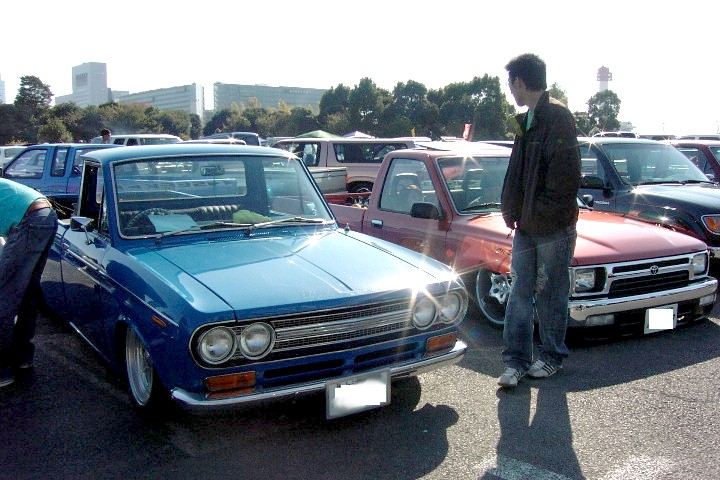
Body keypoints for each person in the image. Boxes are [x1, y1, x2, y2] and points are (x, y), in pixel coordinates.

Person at [497, 53, 580, 388]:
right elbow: (516, 172)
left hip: (552, 228)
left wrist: (538, 215)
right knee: (519, 292)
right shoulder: (526, 119)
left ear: (519, 82)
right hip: (526, 226)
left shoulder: (558, 116)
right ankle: (515, 362)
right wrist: (511, 210)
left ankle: (551, 357)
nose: (509, 90)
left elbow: (566, 180)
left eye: (510, 84)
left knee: (550, 293)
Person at [0, 179, 58, 387]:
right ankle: (22, 358)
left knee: (4, 296)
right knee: (26, 292)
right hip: (45, 216)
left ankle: (2, 371)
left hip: (30, 220)